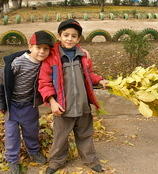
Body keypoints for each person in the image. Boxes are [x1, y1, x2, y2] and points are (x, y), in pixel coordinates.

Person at [38, 19, 108, 174]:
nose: (69, 39)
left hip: (83, 105)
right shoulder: (52, 58)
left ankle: (90, 160)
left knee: (85, 135)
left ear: (79, 39)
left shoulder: (82, 55)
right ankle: (56, 162)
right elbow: (44, 82)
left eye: (74, 36)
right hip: (63, 107)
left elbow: (89, 75)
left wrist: (100, 80)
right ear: (59, 36)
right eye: (66, 35)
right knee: (60, 137)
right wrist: (52, 102)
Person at [0, 30, 54, 174]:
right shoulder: (17, 63)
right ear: (30, 46)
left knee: (32, 131)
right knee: (12, 134)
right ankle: (12, 159)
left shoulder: (45, 64)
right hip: (12, 106)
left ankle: (34, 152)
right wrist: (2, 103)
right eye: (38, 47)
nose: (42, 52)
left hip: (29, 105)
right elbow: (3, 83)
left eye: (46, 49)